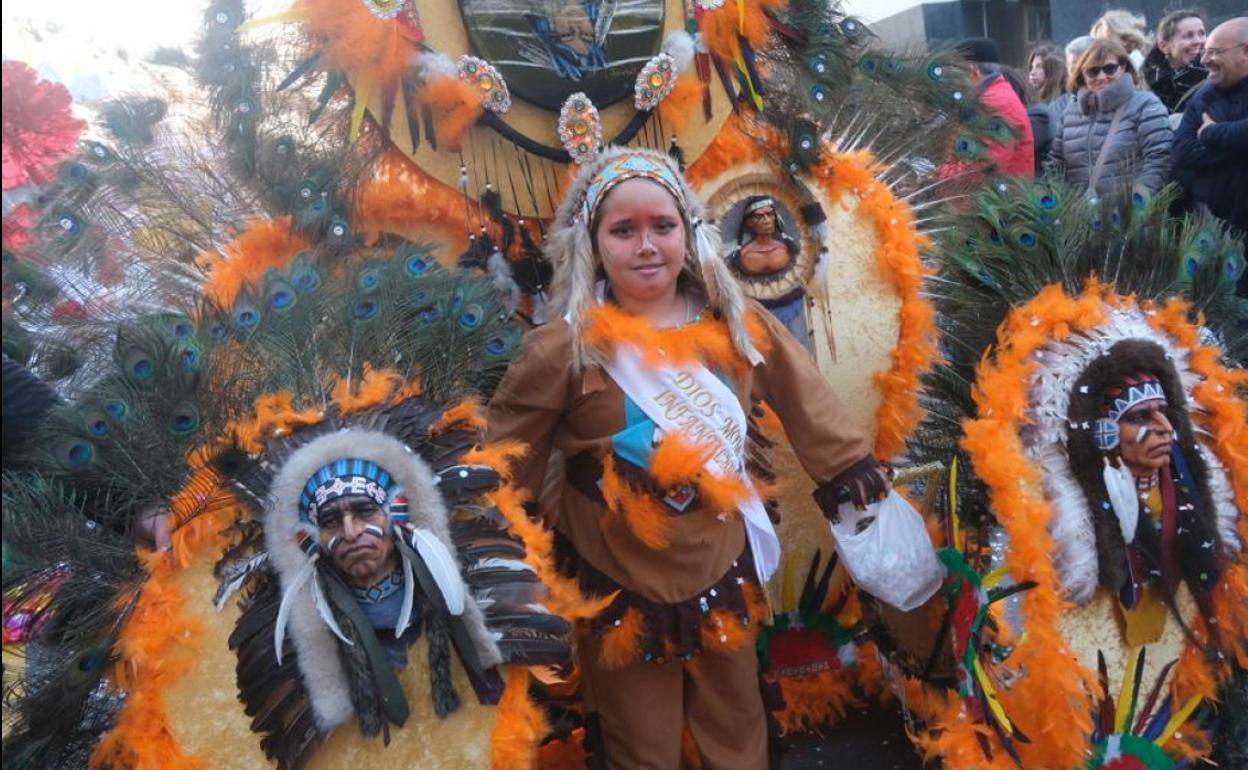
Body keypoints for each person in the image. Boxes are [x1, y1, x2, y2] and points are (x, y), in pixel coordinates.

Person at [486, 147, 888, 769]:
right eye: (624, 230)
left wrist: (847, 470)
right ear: (593, 244)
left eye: (662, 226)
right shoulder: (561, 348)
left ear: (688, 231)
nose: (646, 245)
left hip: (719, 560)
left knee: (737, 723)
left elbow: (804, 397)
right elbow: (510, 461)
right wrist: (504, 556)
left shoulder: (735, 324)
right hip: (614, 575)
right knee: (639, 738)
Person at [1048, 39, 1173, 194]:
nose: (1101, 76)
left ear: (1123, 67)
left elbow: (1159, 159)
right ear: (1082, 75)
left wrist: (1139, 199)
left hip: (1129, 207)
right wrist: (1061, 201)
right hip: (1078, 208)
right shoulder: (1070, 112)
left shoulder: (1146, 105)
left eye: (1109, 69)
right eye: (1093, 71)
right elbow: (1055, 165)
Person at [1171, 16, 1248, 243]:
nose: (1204, 60)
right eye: (1205, 52)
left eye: (1214, 52)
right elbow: (1182, 151)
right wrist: (1240, 146)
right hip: (1212, 233)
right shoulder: (1204, 96)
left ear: (1245, 51)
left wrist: (1211, 133)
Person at [726, 195, 813, 352]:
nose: (767, 220)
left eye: (770, 214)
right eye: (760, 216)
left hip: (791, 304)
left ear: (775, 217)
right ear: (749, 223)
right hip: (755, 310)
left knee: (800, 351)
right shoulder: (744, 255)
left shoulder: (785, 248)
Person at [948, 37, 1036, 179]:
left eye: (955, 72)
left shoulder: (996, 103)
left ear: (972, 70)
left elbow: (984, 165)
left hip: (999, 191)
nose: (953, 81)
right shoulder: (993, 97)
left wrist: (936, 174)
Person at [1143, 10, 1209, 113]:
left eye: (1201, 34)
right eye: (1188, 36)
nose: (1198, 41)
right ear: (1164, 46)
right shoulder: (1146, 86)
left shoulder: (1217, 76)